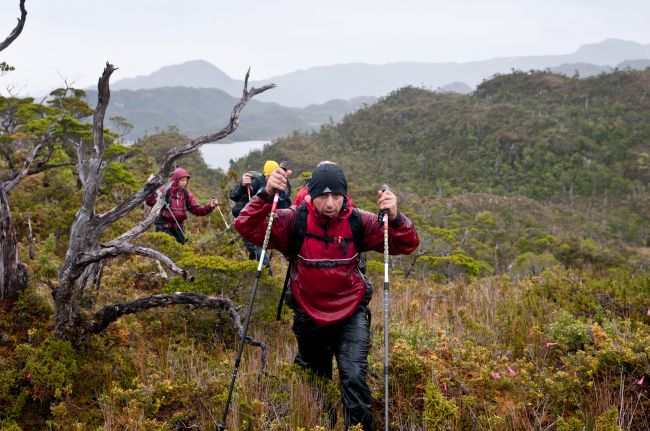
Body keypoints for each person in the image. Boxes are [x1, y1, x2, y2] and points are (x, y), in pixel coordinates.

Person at [235, 162, 419, 430]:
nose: (330, 203)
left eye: (336, 196)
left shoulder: (359, 221)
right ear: (311, 195)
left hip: (351, 313)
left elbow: (407, 243)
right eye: (323, 195)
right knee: (316, 381)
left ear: (345, 195)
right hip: (308, 315)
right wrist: (265, 194)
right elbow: (246, 226)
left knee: (354, 377)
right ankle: (322, 423)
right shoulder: (293, 220)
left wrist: (396, 217)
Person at [230, 160, 292, 269]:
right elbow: (233, 196)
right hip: (250, 225)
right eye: (270, 176)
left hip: (265, 226)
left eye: (275, 175)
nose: (272, 179)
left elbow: (284, 204)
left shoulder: (279, 185)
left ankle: (248, 273)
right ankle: (265, 281)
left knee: (257, 257)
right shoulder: (254, 182)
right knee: (264, 262)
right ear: (265, 175)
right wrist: (242, 185)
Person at [145, 167, 217, 243]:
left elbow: (197, 210)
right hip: (163, 228)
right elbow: (150, 201)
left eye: (186, 180)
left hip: (179, 229)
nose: (185, 182)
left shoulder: (186, 194)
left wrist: (210, 206)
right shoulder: (164, 190)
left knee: (179, 251)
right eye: (182, 180)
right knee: (166, 251)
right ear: (175, 180)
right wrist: (150, 185)